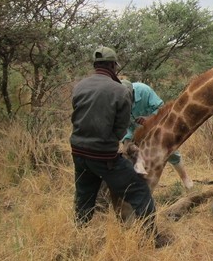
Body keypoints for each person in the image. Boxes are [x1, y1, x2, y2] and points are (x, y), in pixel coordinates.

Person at [70, 46, 170, 248]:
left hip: (78, 152)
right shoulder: (120, 91)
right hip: (103, 156)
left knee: (84, 195)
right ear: (113, 65)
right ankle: (153, 239)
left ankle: (79, 239)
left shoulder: (80, 86)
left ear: (95, 65)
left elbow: (76, 116)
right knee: (140, 191)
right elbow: (120, 130)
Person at [120, 80, 193, 189]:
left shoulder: (143, 90)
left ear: (132, 92)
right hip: (131, 129)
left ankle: (186, 179)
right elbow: (123, 123)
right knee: (129, 154)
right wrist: (127, 141)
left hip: (153, 126)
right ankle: (135, 185)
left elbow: (160, 108)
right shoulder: (118, 98)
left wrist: (148, 118)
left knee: (170, 151)